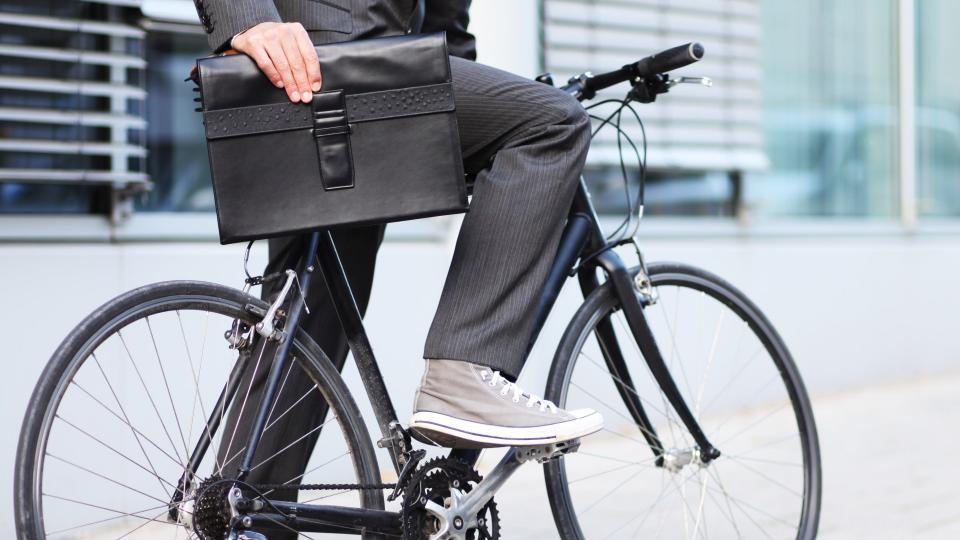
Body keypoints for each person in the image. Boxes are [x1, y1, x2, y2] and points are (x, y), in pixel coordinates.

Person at [192, 0, 601, 485]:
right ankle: (462, 374)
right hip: (345, 69)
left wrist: (460, 69)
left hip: (318, 74)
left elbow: (445, 15)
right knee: (551, 123)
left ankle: (247, 516)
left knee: (306, 321)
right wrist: (248, 19)